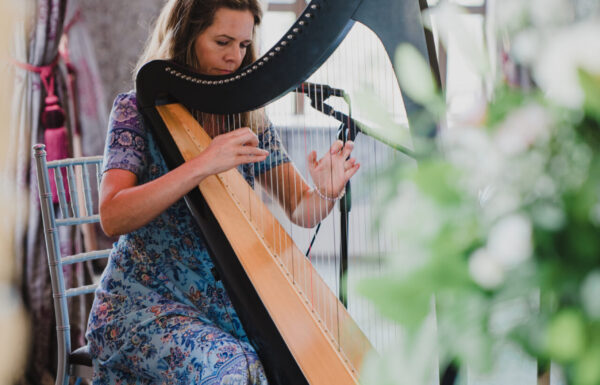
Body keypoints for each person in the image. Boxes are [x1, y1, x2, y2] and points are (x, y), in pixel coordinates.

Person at [85, 0, 360, 383]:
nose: (235, 57)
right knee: (235, 368)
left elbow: (301, 209)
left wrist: (326, 192)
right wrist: (203, 164)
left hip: (221, 306)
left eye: (244, 45)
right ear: (188, 39)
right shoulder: (135, 111)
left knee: (306, 357)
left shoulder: (248, 117)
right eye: (222, 41)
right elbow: (113, 216)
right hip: (143, 303)